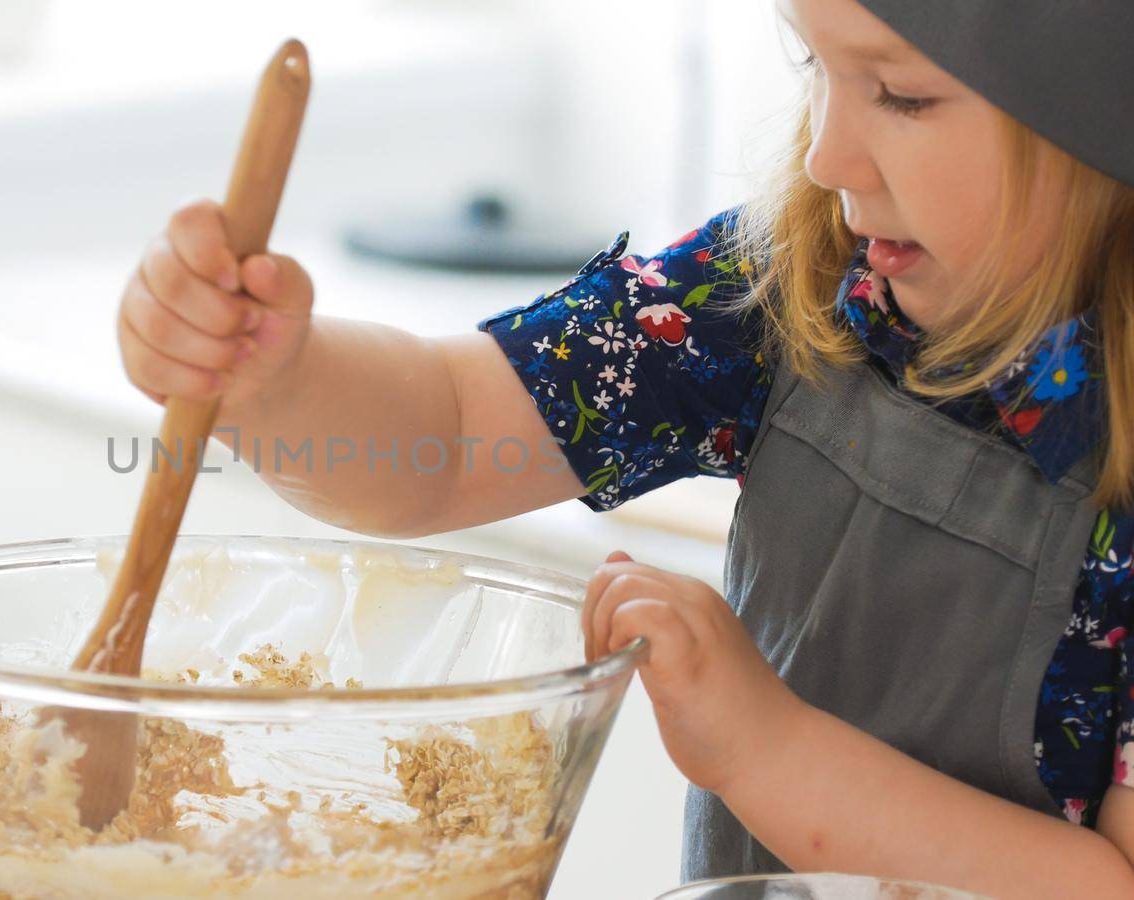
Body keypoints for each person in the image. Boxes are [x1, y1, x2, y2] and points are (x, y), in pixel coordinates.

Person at [114, 0, 1134, 893]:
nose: (827, 156)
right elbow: (454, 429)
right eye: (814, 66)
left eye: (899, 96)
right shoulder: (791, 283)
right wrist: (273, 375)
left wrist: (765, 749)